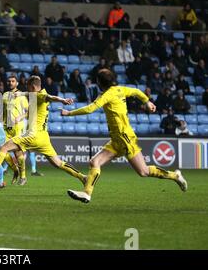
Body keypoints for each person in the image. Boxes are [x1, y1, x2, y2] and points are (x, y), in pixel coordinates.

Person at [61, 69, 187, 203]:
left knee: (143, 172)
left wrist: (69, 113)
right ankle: (86, 193)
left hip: (124, 137)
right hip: (116, 139)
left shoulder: (107, 95)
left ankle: (175, 175)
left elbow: (90, 109)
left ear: (99, 82)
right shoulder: (120, 89)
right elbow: (137, 91)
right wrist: (147, 101)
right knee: (94, 162)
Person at [0, 76, 87, 186]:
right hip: (44, 138)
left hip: (32, 135)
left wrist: (62, 100)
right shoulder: (35, 95)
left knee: (4, 148)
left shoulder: (41, 95)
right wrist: (21, 93)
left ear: (32, 86)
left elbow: (50, 97)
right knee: (58, 163)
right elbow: (32, 94)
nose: (26, 89)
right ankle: (82, 177)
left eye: (27, 87)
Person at [0, 75, 28, 185]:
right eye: (9, 81)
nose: (11, 83)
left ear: (16, 83)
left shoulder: (21, 96)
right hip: (6, 126)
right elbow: (4, 111)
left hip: (18, 127)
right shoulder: (5, 95)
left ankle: (23, 177)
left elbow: (29, 111)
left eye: (13, 81)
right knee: (1, 148)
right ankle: (15, 170)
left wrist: (20, 117)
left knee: (18, 152)